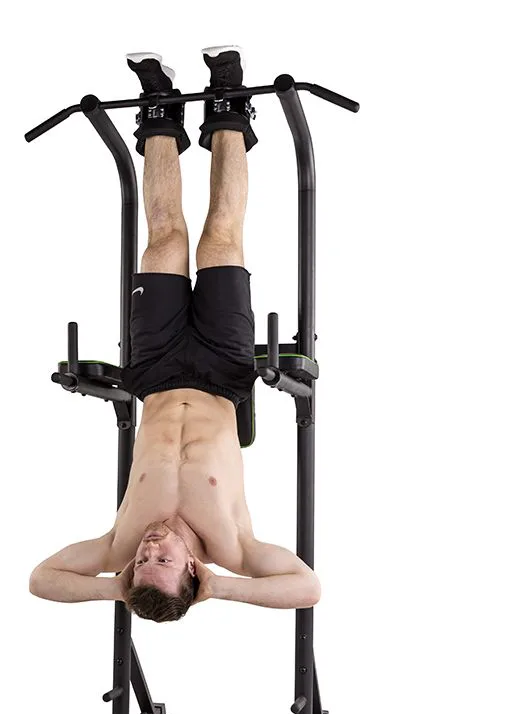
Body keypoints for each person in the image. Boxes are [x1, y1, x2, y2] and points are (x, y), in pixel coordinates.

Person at [30, 46, 320, 622]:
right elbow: (307, 588)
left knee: (163, 240)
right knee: (220, 238)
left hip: (157, 370)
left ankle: (158, 110)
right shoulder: (232, 547)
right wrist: (222, 587)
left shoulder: (118, 543)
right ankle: (228, 101)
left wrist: (118, 589)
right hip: (222, 370)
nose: (147, 549)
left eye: (140, 563)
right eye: (161, 561)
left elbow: (41, 580)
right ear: (192, 569)